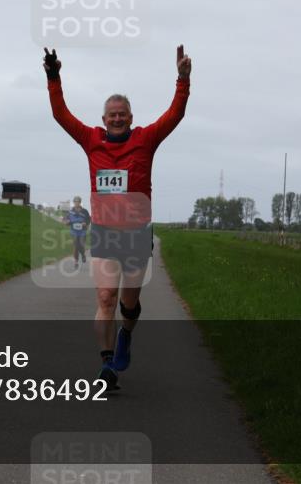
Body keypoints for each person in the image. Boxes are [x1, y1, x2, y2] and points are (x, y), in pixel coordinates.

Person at [44, 45, 191, 390]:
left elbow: (174, 115)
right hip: (105, 232)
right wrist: (53, 76)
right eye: (112, 115)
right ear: (104, 119)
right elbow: (61, 114)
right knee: (106, 297)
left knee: (129, 304)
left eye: (122, 114)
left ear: (130, 117)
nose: (117, 119)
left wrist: (183, 79)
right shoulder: (90, 139)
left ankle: (126, 333)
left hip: (136, 234)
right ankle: (107, 365)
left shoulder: (146, 139)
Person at [63, 196, 91, 269]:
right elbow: (65, 219)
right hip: (74, 231)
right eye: (75, 201)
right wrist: (67, 222)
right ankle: (76, 261)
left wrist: (85, 223)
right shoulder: (70, 211)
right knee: (75, 246)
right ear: (73, 202)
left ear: (80, 202)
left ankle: (83, 255)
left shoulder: (84, 211)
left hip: (82, 231)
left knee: (81, 245)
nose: (76, 203)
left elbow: (89, 219)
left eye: (78, 201)